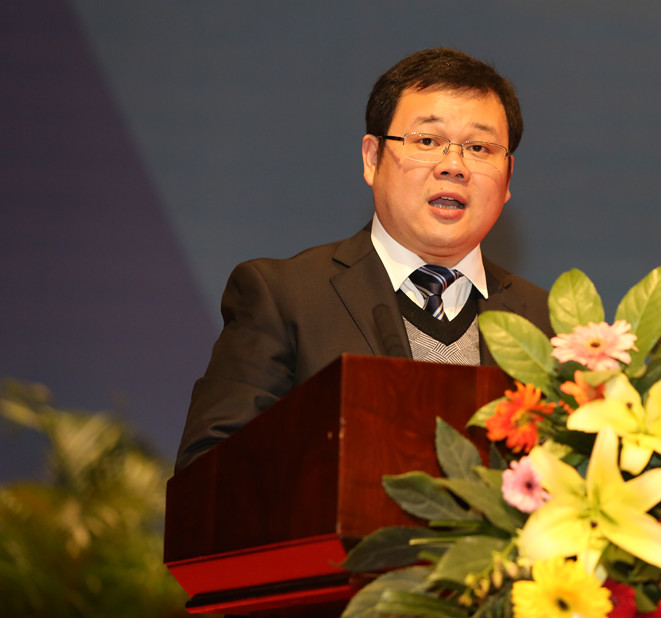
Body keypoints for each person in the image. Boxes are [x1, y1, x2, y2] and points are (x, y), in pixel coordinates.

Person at [174, 48, 552, 472]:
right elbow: (207, 473)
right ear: (372, 158)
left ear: (508, 177)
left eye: (479, 147)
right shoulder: (285, 298)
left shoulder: (549, 326)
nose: (454, 166)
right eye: (427, 141)